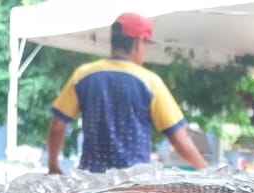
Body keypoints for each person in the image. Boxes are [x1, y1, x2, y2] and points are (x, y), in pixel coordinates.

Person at [47, 12, 207, 175]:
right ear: (139, 42)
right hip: (132, 185)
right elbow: (179, 139)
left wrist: (53, 166)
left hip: (90, 184)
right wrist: (206, 171)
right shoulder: (150, 82)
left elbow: (57, 126)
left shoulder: (83, 75)